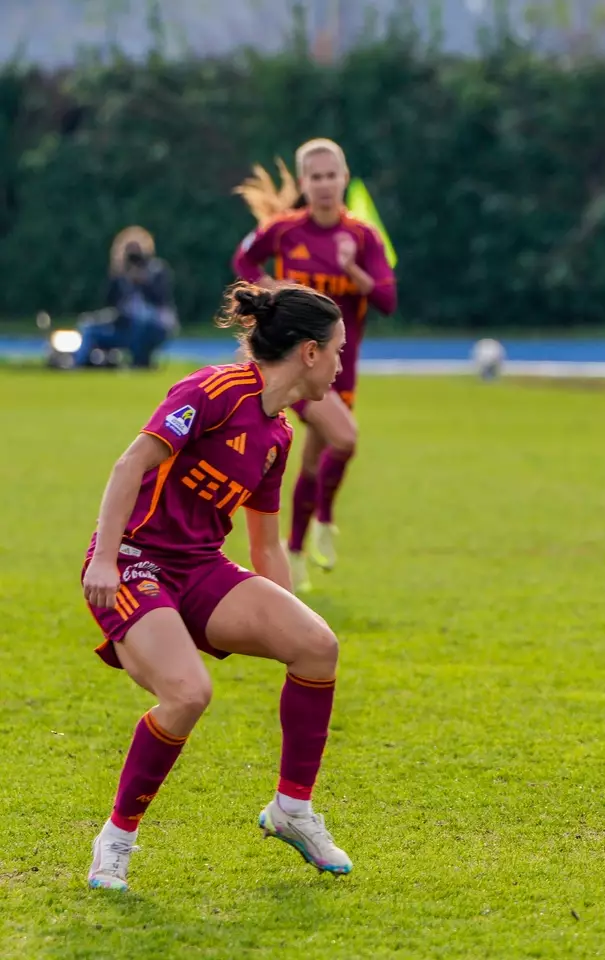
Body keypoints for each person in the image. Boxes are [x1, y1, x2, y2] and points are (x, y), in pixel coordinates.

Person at [81, 281, 353, 891]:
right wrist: (105, 559)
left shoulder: (279, 435)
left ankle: (292, 809)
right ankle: (116, 839)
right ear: (309, 352)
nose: (341, 364)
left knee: (317, 645)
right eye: (337, 350)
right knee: (188, 693)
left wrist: (286, 618)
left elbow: (265, 546)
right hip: (134, 562)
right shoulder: (215, 391)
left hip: (199, 567)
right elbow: (130, 465)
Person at [231, 139, 397, 591]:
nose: (324, 184)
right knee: (345, 438)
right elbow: (243, 258)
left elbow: (387, 300)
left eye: (331, 175)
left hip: (339, 371)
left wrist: (353, 271)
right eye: (316, 177)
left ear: (345, 178)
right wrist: (271, 287)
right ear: (304, 183)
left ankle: (297, 549)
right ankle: (323, 519)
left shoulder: (363, 238)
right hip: (295, 368)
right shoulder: (285, 230)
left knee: (312, 462)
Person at [77, 227, 179, 368]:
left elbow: (162, 299)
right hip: (123, 323)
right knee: (88, 325)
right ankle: (78, 362)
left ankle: (140, 362)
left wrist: (144, 282)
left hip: (153, 324)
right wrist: (117, 276)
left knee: (141, 320)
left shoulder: (156, 270)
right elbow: (108, 302)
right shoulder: (120, 274)